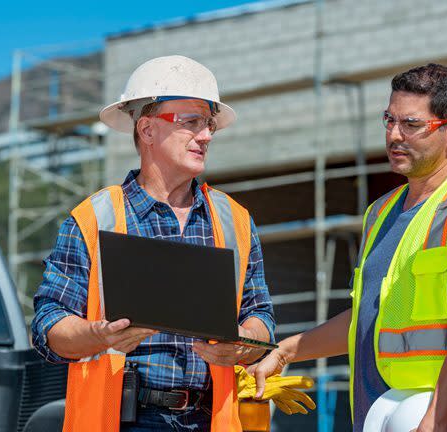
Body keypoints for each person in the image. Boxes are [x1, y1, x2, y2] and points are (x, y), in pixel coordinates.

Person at [250, 63, 447, 431]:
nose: (394, 135)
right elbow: (365, 319)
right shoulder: (379, 213)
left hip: (442, 419)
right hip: (376, 414)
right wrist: (286, 351)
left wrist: (433, 423)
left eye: (411, 125)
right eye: (389, 120)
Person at [31, 55, 275, 432]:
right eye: (191, 122)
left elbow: (261, 318)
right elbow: (49, 326)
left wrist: (243, 343)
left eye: (209, 124)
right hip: (123, 418)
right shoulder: (94, 218)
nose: (207, 135)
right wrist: (99, 335)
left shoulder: (234, 220)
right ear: (146, 130)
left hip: (212, 420)